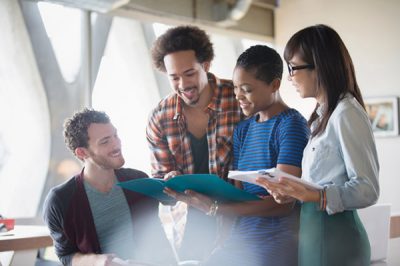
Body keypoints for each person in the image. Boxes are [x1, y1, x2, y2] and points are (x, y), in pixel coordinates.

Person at [165, 45, 310, 266]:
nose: (238, 96)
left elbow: (283, 204)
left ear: (274, 84)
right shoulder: (243, 129)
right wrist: (220, 242)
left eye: (247, 89)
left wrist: (215, 208)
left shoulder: (291, 125)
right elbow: (238, 195)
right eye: (235, 88)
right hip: (239, 242)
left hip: (273, 244)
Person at [256, 24, 380, 266]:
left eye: (293, 68)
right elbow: (319, 183)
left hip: (337, 238)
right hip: (313, 233)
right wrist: (290, 193)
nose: (289, 77)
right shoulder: (321, 116)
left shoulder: (346, 113)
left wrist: (316, 195)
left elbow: (368, 189)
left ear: (319, 67)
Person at [146, 25, 243, 261]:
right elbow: (162, 191)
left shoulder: (240, 99)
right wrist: (168, 183)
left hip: (241, 225)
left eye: (189, 73)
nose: (183, 84)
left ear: (206, 65)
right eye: (174, 77)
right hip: (191, 231)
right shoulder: (160, 117)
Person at [43, 108, 175, 266]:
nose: (116, 144)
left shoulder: (138, 180)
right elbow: (66, 255)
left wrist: (174, 186)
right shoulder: (60, 200)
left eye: (115, 135)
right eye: (105, 141)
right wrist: (97, 261)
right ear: (82, 153)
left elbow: (169, 201)